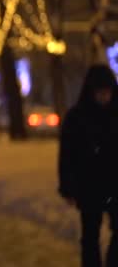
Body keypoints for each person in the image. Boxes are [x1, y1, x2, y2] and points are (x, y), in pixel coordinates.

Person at [58, 64, 118, 267]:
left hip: (113, 184)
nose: (104, 96)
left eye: (107, 92)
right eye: (100, 92)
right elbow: (67, 155)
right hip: (89, 185)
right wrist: (67, 185)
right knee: (90, 236)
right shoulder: (77, 117)